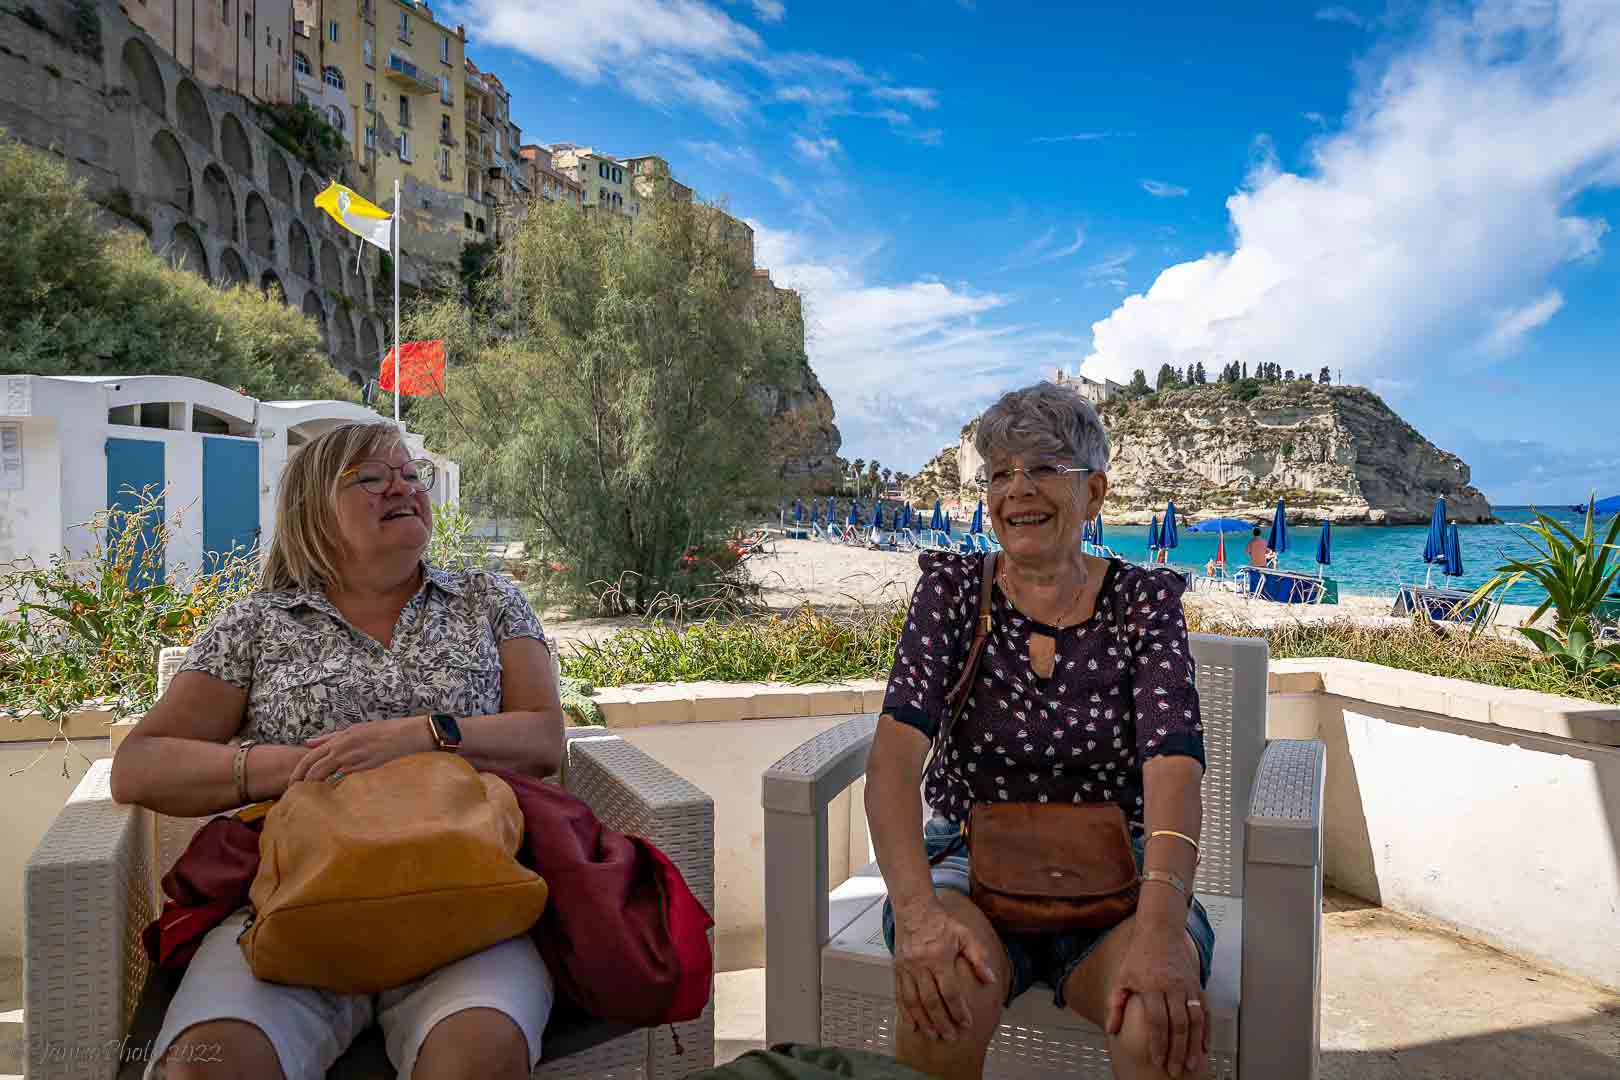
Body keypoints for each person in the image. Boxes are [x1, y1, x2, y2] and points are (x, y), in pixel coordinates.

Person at [110, 421, 564, 1080]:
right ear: (312, 509)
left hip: (468, 889)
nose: (402, 487)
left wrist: (420, 734)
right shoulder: (256, 623)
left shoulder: (489, 600)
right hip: (295, 896)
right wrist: (296, 766)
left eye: (410, 474)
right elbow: (139, 764)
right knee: (212, 1065)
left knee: (480, 1054)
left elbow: (544, 737)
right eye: (372, 478)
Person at [865, 382, 1214, 1080]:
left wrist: (1159, 928)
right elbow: (892, 764)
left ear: (1094, 492)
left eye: (1045, 467)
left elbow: (1174, 771)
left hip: (1123, 871)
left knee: (1156, 1022)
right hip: (966, 861)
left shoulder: (1143, 603)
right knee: (942, 999)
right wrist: (919, 916)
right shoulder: (953, 591)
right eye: (1000, 473)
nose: (1017, 489)